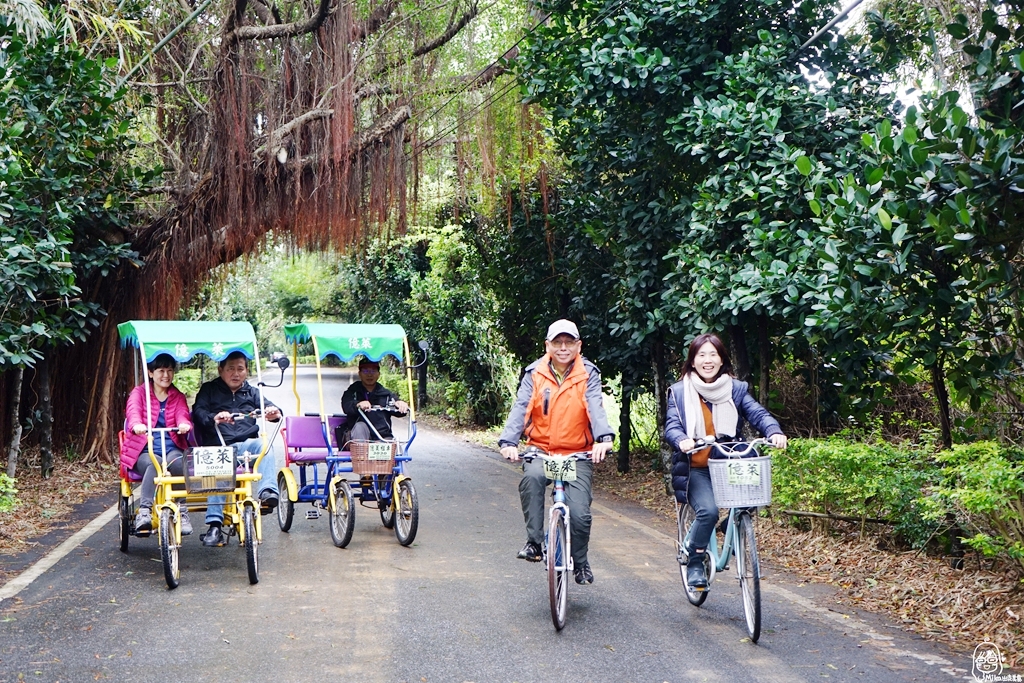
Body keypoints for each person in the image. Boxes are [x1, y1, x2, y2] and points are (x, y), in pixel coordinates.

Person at [664, 333, 787, 589]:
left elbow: (757, 413)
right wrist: (682, 440)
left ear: (722, 360)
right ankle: (696, 559)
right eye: (702, 355)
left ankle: (730, 529)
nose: (707, 360)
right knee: (707, 511)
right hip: (696, 466)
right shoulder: (678, 392)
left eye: (713, 355)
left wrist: (773, 431)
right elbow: (672, 425)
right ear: (692, 361)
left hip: (728, 462)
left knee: (752, 494)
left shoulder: (736, 389)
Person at [498, 319, 615, 585]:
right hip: (541, 449)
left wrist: (603, 439)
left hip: (578, 452)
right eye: (557, 342)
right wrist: (508, 442)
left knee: (581, 513)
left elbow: (595, 407)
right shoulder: (534, 373)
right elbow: (520, 408)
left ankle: (581, 562)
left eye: (569, 342)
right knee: (532, 479)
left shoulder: (589, 373)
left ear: (578, 345)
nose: (563, 348)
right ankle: (534, 543)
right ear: (547, 345)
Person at [192, 351, 282, 547]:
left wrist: (273, 413)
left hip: (247, 446)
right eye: (230, 369)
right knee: (218, 460)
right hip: (219, 445)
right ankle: (215, 525)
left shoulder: (252, 392)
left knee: (265, 445)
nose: (236, 373)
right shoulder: (209, 390)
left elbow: (273, 409)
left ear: (246, 371)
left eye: (240, 369)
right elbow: (198, 412)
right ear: (220, 370)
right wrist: (214, 418)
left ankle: (268, 493)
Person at [120, 353, 193, 535]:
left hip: (171, 447)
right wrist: (136, 424)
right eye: (161, 370)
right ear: (151, 373)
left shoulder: (177, 396)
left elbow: (182, 413)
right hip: (144, 449)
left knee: (177, 464)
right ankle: (144, 511)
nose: (166, 375)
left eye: (169, 371)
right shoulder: (139, 393)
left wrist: (184, 423)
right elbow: (133, 410)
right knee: (155, 465)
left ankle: (182, 511)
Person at [340, 358, 410, 442]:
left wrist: (401, 405)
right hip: (357, 438)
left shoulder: (385, 394)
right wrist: (358, 404)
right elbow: (346, 406)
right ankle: (361, 454)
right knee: (360, 426)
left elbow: (398, 409)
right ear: (360, 374)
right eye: (365, 371)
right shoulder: (352, 392)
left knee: (396, 449)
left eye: (373, 371)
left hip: (382, 437)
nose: (369, 375)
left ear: (378, 374)